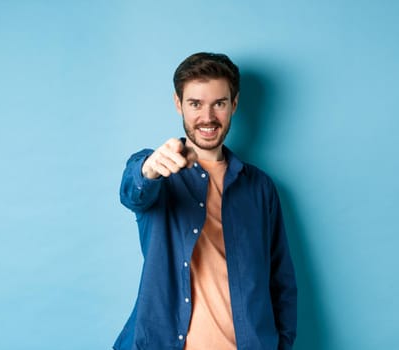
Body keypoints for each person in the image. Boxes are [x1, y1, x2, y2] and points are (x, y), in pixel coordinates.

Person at [113, 52, 297, 350]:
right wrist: (149, 168)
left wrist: (282, 344)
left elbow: (282, 281)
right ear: (178, 104)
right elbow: (133, 190)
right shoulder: (159, 172)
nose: (208, 117)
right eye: (195, 104)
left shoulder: (260, 187)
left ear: (234, 105)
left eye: (219, 104)